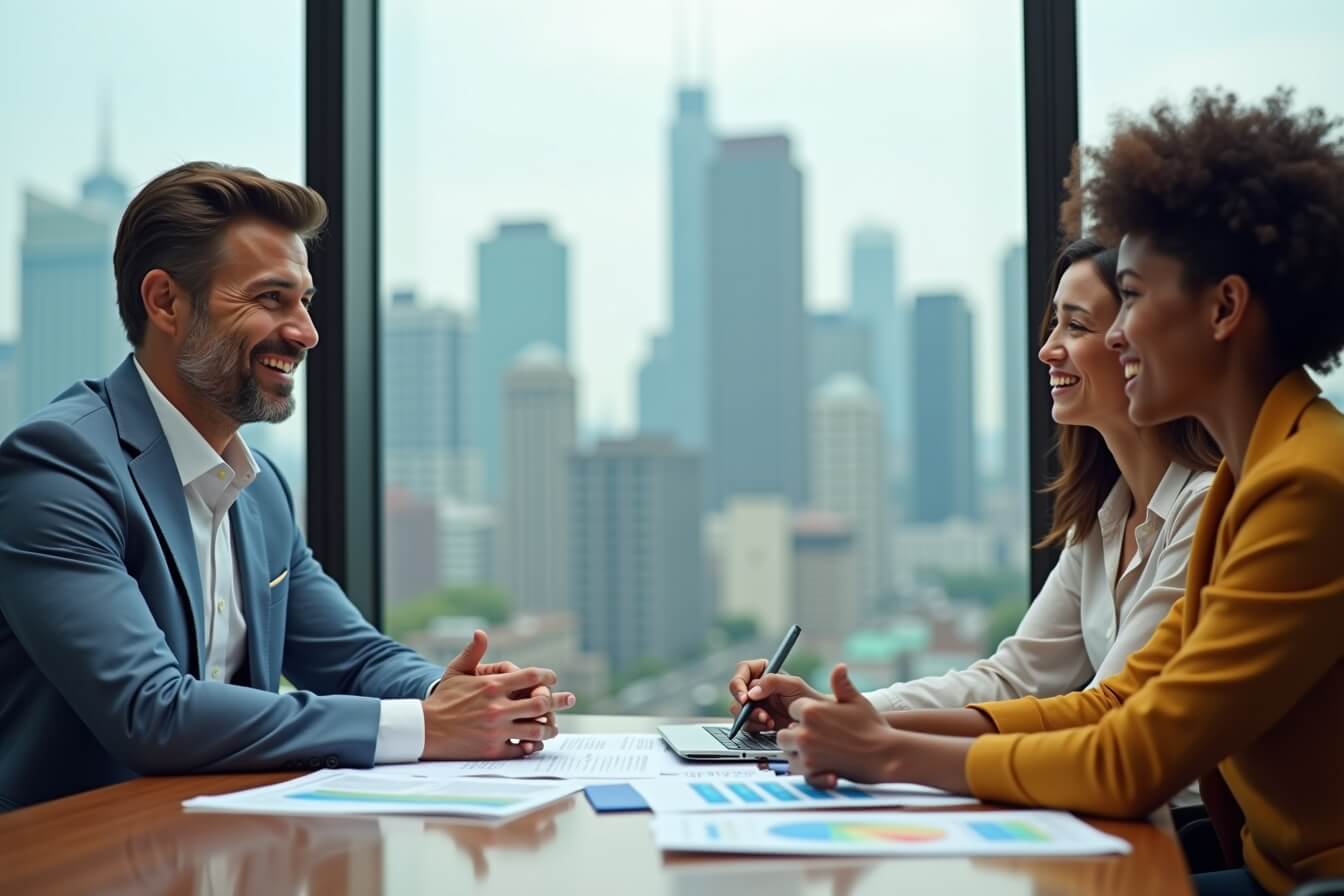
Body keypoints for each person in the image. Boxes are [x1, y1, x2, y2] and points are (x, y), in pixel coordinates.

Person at [776, 88, 1344, 896]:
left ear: (1224, 308)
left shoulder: (1303, 487)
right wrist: (868, 724)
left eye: (1135, 298)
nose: (1114, 334)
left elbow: (1131, 756)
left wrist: (889, 753)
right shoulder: (1252, 480)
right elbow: (1113, 700)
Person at [0, 162, 575, 810]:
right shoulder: (62, 466)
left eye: (304, 300)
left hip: (214, 850)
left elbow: (355, 662)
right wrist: (429, 726)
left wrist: (457, 696)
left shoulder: (260, 488)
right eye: (271, 299)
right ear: (164, 301)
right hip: (69, 859)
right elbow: (149, 710)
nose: (305, 332)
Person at [729, 241, 1220, 762]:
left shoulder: (1201, 509)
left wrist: (872, 736)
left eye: (1076, 327)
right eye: (1054, 325)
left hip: (1179, 828)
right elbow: (1013, 679)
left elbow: (1109, 712)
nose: (1048, 349)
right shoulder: (1103, 520)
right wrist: (834, 708)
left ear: (1139, 343)